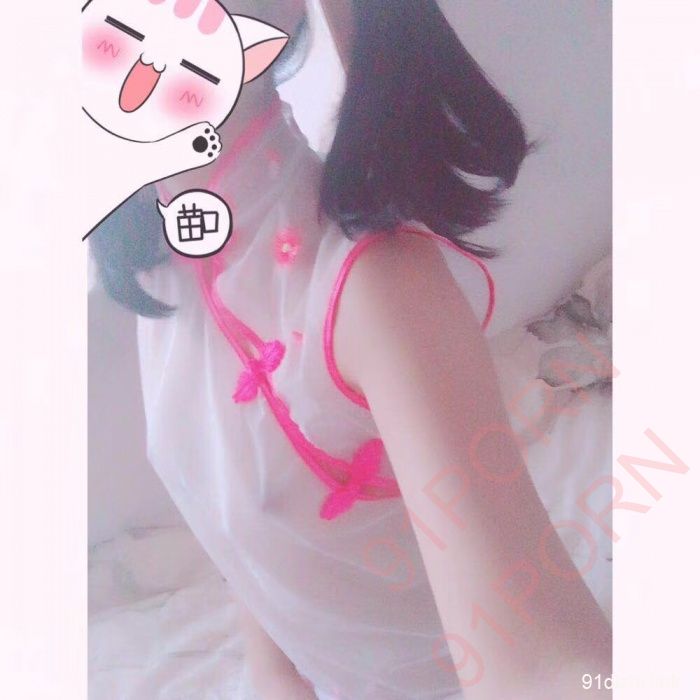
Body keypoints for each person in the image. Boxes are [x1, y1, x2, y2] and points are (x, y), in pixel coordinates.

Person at [91, 1, 612, 697]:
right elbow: (247, 536)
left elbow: (540, 665)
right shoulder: (160, 260)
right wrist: (277, 678)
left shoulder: (375, 287)